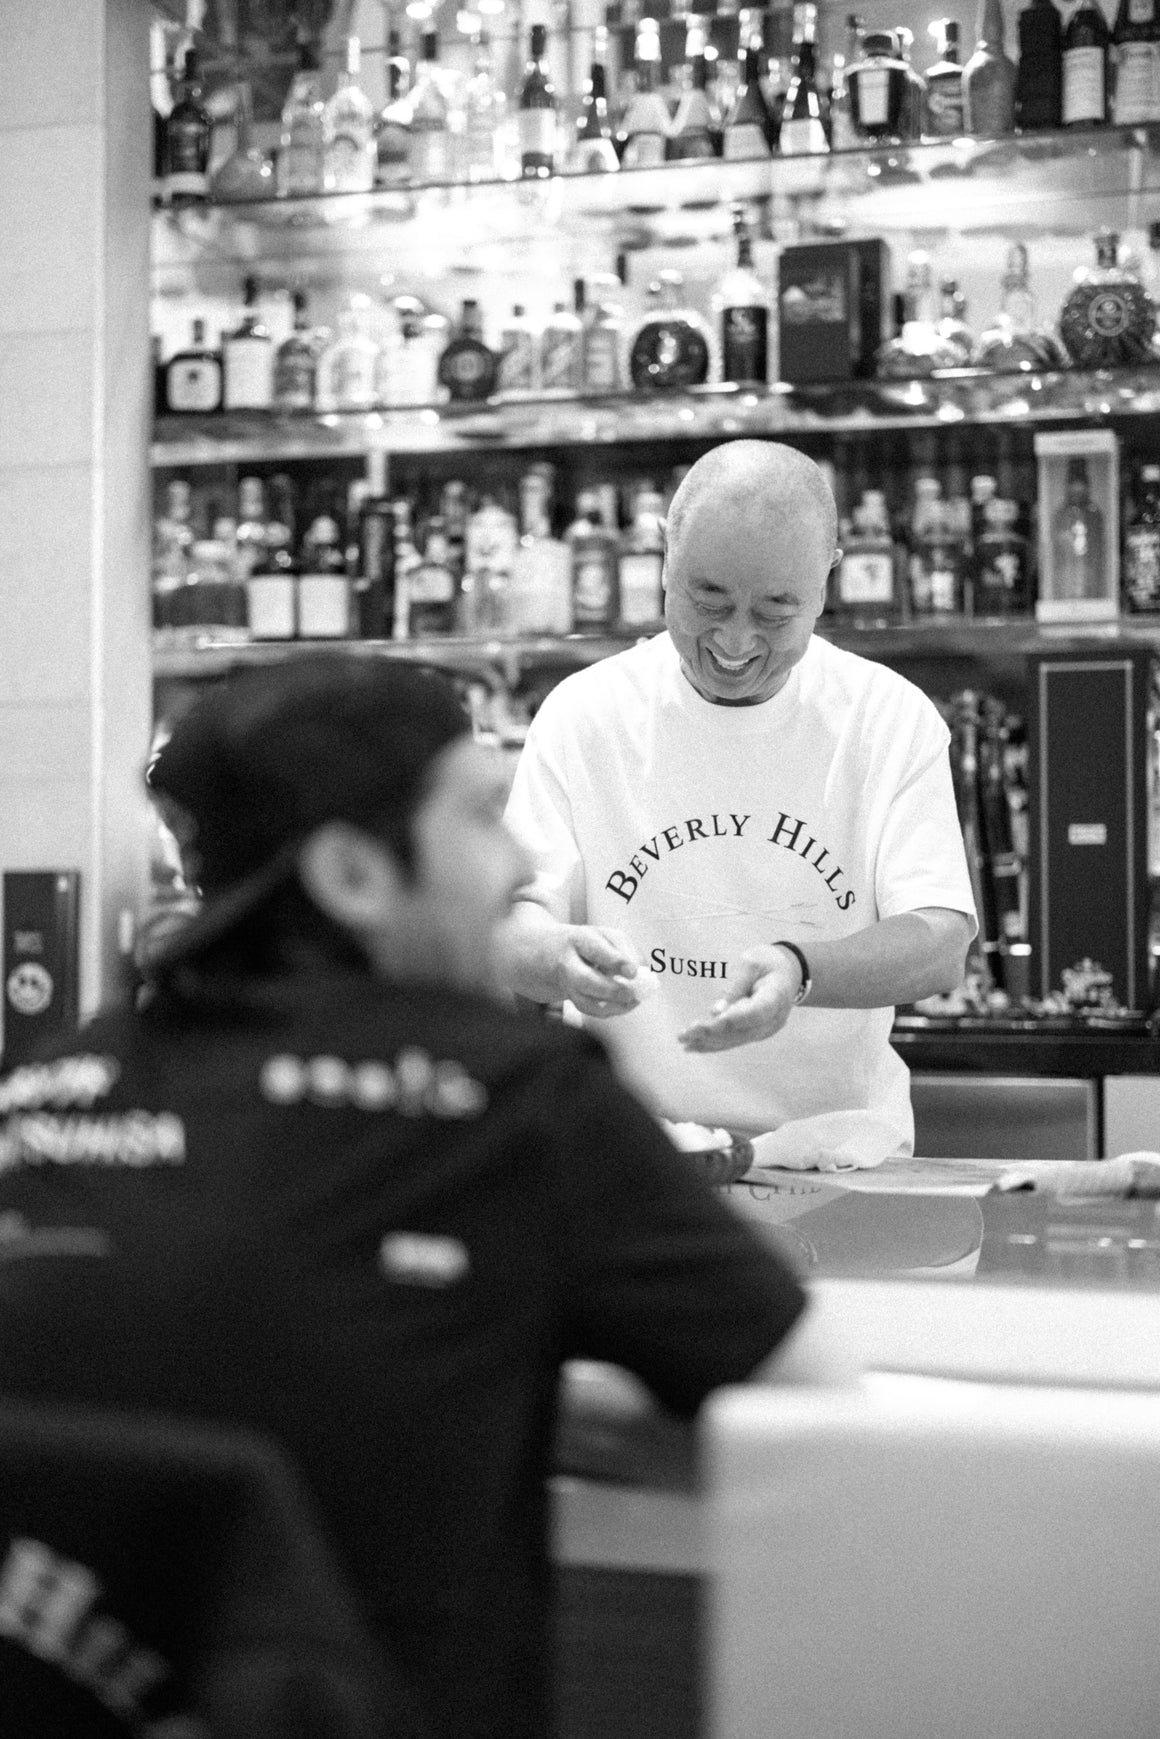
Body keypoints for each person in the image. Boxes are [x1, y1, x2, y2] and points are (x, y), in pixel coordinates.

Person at [0, 652, 841, 1739]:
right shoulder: (514, 1096)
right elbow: (809, 1404)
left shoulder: (45, 1085)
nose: (517, 861)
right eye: (482, 816)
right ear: (354, 872)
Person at [499, 441, 977, 1171]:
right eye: (708, 600)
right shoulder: (584, 714)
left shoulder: (886, 718)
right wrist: (557, 960)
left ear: (827, 579)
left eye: (776, 610)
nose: (735, 639)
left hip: (833, 1152)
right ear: (666, 555)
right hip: (626, 1156)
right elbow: (507, 925)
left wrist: (800, 968)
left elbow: (940, 942)